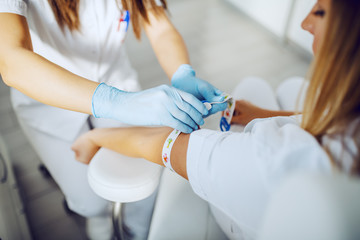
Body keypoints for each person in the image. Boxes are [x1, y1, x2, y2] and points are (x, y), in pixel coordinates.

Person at [72, 0, 360, 239]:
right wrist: (263, 114)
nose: (304, 24)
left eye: (320, 12)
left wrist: (96, 138)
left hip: (254, 201)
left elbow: (168, 145)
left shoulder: (271, 160)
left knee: (91, 200)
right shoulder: (348, 123)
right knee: (266, 87)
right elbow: (315, 121)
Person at [0, 0, 227, 239]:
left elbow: (159, 28)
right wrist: (114, 101)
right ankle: (97, 221)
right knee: (91, 203)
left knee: (138, 176)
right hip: (48, 98)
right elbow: (12, 60)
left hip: (114, 79)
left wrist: (182, 72)